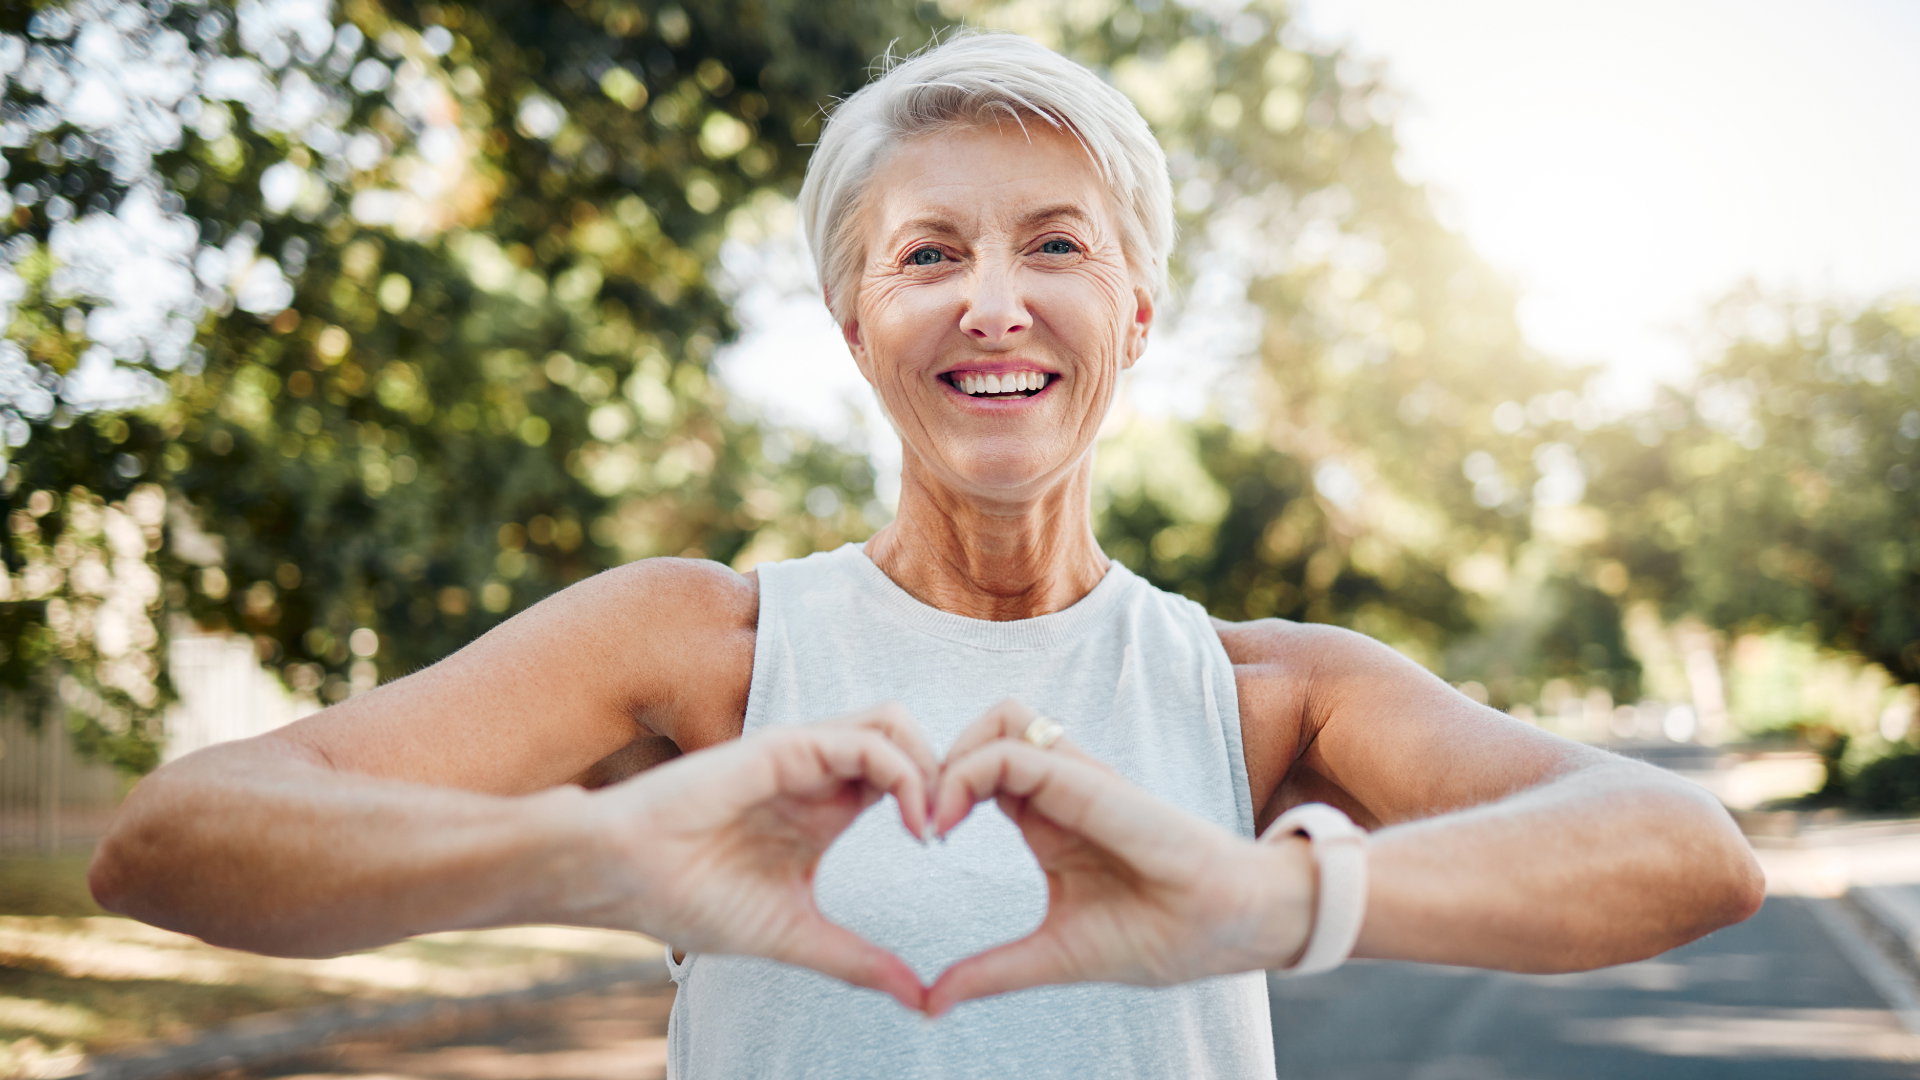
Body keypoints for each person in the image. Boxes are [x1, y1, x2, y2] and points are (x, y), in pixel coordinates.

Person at [87, 29, 1765, 1080]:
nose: (993, 298)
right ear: (857, 323)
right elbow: (174, 843)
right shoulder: (699, 649)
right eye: (928, 251)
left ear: (1132, 311)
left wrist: (1268, 892)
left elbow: (1684, 851)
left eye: (1054, 244)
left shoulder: (1268, 692)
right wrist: (591, 866)